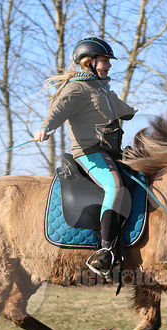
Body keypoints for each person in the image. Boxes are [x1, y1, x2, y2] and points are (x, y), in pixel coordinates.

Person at [34, 37, 137, 274]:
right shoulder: (77, 89)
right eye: (105, 61)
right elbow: (58, 110)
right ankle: (105, 251)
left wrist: (142, 115)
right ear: (89, 62)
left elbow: (126, 111)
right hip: (90, 153)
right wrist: (45, 127)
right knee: (115, 187)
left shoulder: (104, 90)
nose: (109, 66)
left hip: (112, 152)